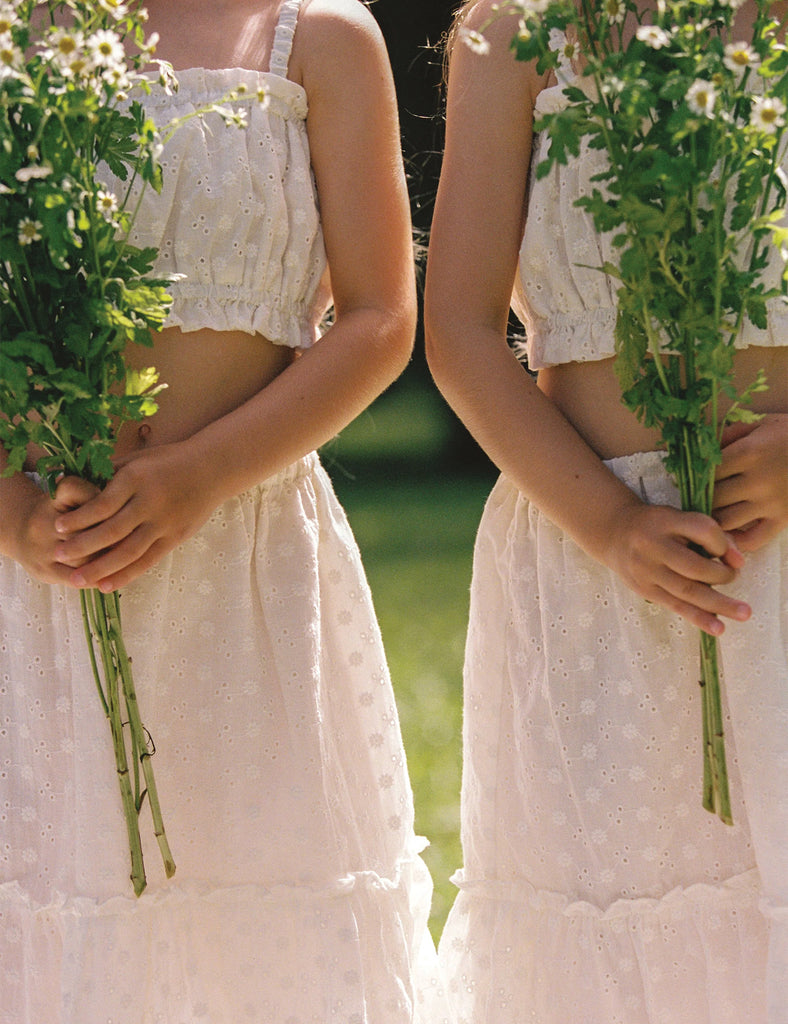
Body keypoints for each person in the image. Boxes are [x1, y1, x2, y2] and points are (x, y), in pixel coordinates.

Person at [0, 1, 447, 1020]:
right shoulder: (13, 35)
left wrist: (202, 474)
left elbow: (380, 317)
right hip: (38, 577)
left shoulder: (322, 37)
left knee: (264, 917)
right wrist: (15, 515)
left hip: (248, 569)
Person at [425, 1, 788, 1021]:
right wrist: (610, 527)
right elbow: (456, 329)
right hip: (593, 564)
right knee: (612, 920)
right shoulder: (513, 34)